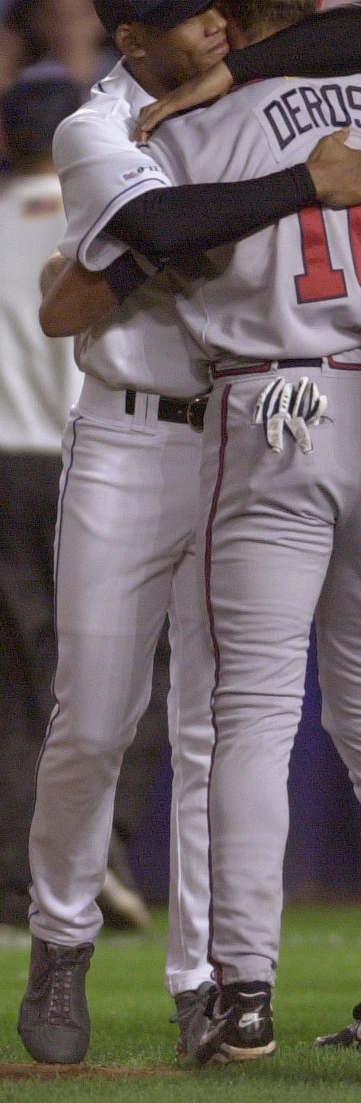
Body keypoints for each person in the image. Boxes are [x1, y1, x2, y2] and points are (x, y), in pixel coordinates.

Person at [21, 0, 361, 1067]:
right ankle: (61, 930)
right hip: (131, 440)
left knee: (210, 722)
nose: (215, 20)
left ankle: (204, 977)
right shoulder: (98, 124)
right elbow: (160, 224)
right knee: (94, 718)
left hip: (245, 432)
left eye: (219, 3)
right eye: (190, 14)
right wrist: (300, 187)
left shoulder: (242, 87)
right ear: (129, 39)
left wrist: (126, 264)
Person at [141, 0, 361, 1066]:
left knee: (254, 716)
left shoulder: (210, 110)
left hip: (272, 399)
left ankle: (245, 987)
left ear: (223, 0)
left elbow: (176, 250)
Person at [0, 68, 83, 941]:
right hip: (85, 461)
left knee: (16, 681)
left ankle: (17, 875)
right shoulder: (97, 221)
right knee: (106, 675)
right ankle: (103, 855)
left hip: (0, 468)